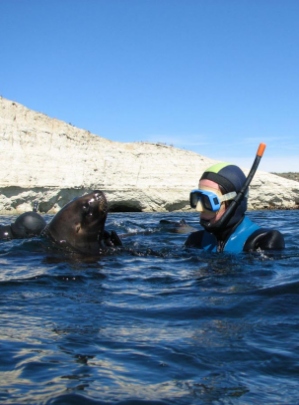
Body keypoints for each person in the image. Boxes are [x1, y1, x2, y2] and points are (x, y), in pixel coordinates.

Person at [185, 162, 285, 253]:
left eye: (207, 201)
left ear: (234, 203)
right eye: (197, 199)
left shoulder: (263, 240)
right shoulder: (195, 240)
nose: (199, 208)